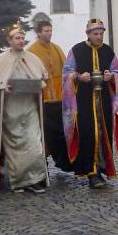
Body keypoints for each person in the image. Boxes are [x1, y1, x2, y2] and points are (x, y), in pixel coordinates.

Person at [63, 19, 118, 188]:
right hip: (84, 102)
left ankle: (101, 168)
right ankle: (92, 173)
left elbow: (117, 71)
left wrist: (111, 76)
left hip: (104, 102)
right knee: (89, 134)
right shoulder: (76, 50)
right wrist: (78, 77)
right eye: (96, 34)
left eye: (101, 34)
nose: (99, 37)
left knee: (103, 134)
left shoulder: (108, 51)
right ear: (88, 34)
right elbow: (67, 73)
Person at [0, 25, 49, 193]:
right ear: (9, 41)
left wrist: (37, 85)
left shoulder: (32, 58)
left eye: (22, 38)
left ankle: (34, 179)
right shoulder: (1, 60)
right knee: (15, 148)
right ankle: (19, 181)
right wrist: (2, 88)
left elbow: (42, 80)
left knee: (35, 144)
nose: (20, 41)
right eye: (16, 38)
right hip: (11, 111)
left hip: (29, 108)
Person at [27, 20, 72, 172]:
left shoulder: (57, 49)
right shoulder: (32, 51)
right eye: (45, 31)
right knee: (44, 134)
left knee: (60, 132)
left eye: (50, 30)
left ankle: (63, 161)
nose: (49, 33)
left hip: (59, 99)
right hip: (43, 100)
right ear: (38, 33)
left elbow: (66, 70)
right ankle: (42, 164)